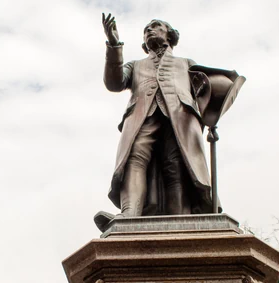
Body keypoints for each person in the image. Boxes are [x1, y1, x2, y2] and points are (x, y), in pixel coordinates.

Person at [99, 15, 242, 221]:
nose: (149, 30)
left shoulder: (186, 64)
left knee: (177, 165)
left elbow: (208, 91)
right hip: (142, 117)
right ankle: (129, 214)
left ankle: (180, 219)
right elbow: (114, 83)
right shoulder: (136, 65)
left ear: (170, 34)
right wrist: (113, 45)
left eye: (156, 26)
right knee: (134, 159)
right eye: (146, 29)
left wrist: (213, 114)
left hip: (180, 118)